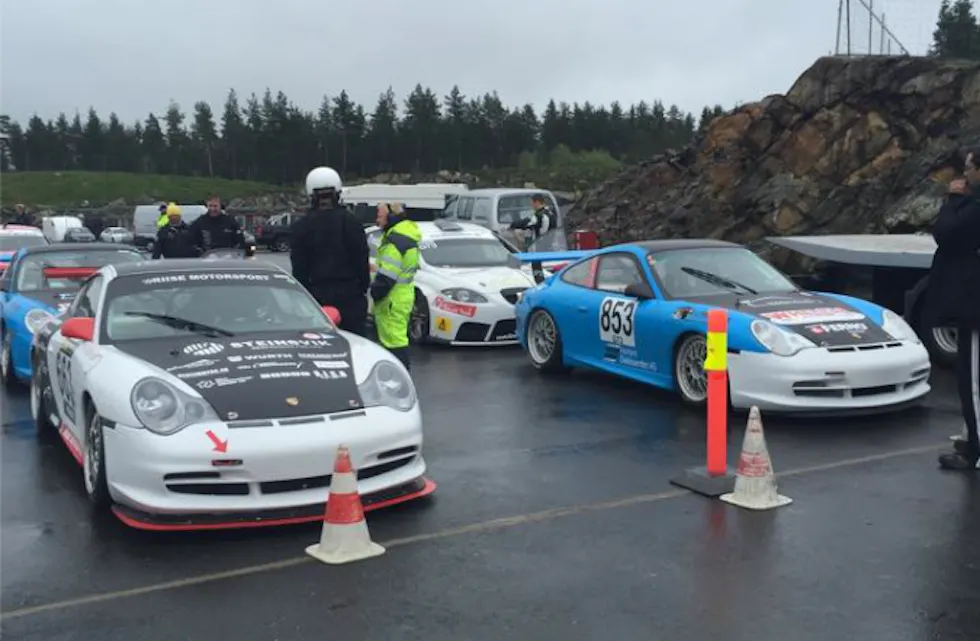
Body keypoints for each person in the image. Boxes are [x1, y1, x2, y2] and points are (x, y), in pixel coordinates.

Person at [926, 147, 980, 471]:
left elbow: (946, 233)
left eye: (970, 168)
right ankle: (972, 436)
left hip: (974, 306)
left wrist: (954, 199)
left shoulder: (973, 207)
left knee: (972, 382)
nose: (966, 174)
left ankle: (976, 450)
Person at [290, 166, 371, 336]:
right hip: (350, 296)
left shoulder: (301, 226)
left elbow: (299, 268)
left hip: (316, 297)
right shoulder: (352, 222)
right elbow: (361, 261)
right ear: (338, 192)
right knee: (355, 343)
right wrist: (361, 288)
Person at [370, 202, 420, 370]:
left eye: (380, 215)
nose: (377, 219)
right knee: (396, 339)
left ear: (391, 216)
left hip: (391, 300)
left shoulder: (395, 241)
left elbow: (387, 278)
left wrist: (374, 292)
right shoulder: (405, 236)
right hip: (401, 297)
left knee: (394, 344)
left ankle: (400, 378)